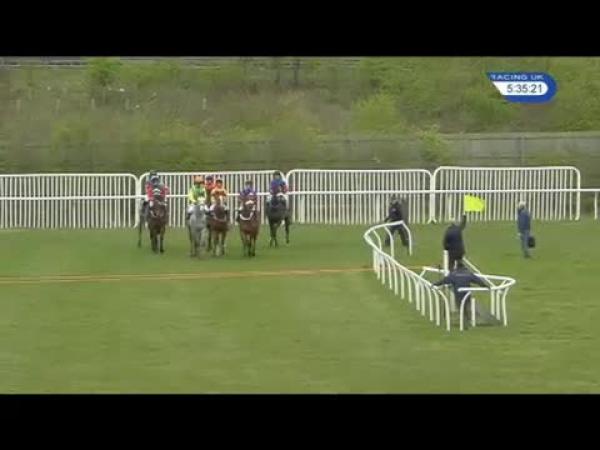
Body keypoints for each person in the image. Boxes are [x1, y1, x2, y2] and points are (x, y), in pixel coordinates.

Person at [432, 260, 490, 324]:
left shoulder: (453, 274)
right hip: (467, 294)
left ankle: (465, 320)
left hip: (458, 294)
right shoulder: (468, 273)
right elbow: (478, 281)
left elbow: (444, 281)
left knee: (461, 307)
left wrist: (435, 284)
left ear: (456, 267)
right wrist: (485, 286)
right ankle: (468, 319)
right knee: (466, 306)